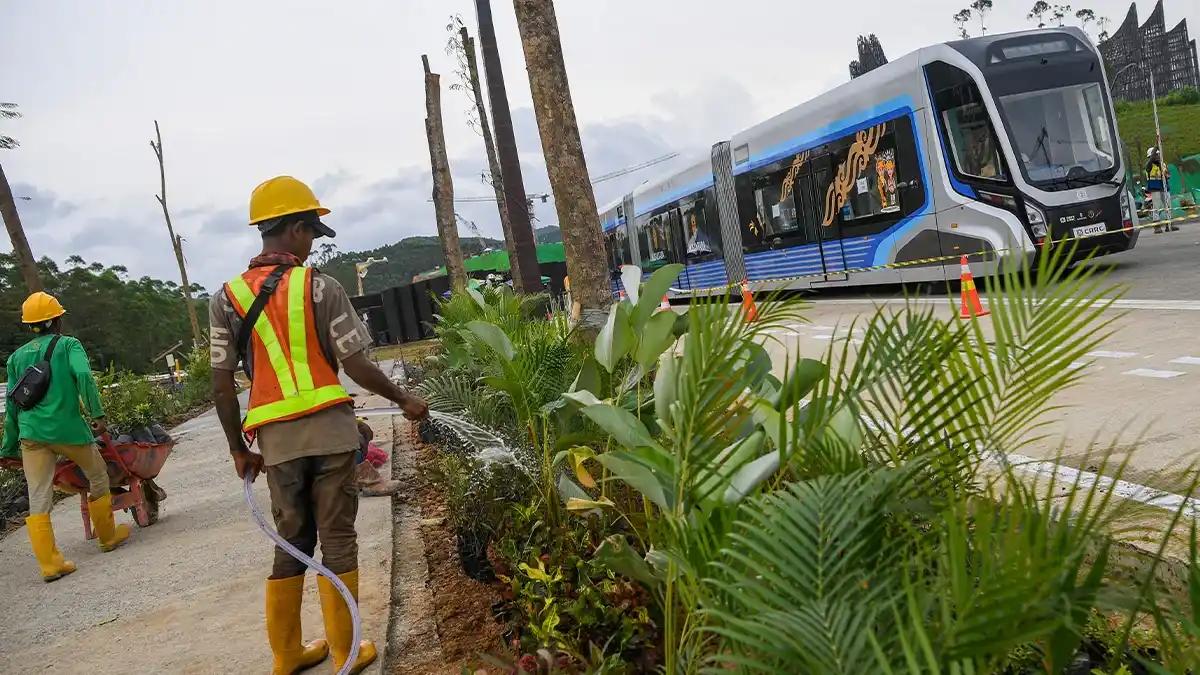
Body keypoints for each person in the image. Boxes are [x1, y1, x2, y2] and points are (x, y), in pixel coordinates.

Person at [210, 175, 428, 674]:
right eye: (310, 232)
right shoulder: (320, 287)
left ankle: (286, 656)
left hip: (276, 441)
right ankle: (345, 654)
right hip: (331, 434)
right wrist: (404, 399)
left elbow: (221, 385)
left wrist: (237, 449)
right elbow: (356, 364)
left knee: (292, 540)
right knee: (337, 538)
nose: (311, 245)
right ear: (292, 228)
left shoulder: (225, 299)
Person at [1, 292, 130, 582]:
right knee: (98, 475)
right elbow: (84, 376)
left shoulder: (15, 358)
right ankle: (107, 537)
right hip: (68, 430)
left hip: (31, 435)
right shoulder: (69, 345)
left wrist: (7, 447)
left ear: (30, 325)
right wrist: (97, 414)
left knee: (38, 495)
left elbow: (12, 404)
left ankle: (50, 565)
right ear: (57, 320)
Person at [1145, 147, 1176, 233]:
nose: (1158, 156)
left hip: (1164, 187)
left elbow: (1168, 174)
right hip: (1155, 188)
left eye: (1158, 154)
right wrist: (1156, 147)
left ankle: (1169, 224)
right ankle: (1157, 227)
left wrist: (1166, 174)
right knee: (1157, 207)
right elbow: (1151, 160)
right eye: (1156, 155)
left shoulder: (1163, 164)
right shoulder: (1149, 165)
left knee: (1168, 206)